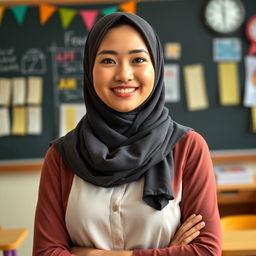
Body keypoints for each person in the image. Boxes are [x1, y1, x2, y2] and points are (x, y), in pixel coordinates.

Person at [33, 12, 222, 256]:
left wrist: (93, 254)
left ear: (156, 67)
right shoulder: (62, 156)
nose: (124, 74)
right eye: (108, 61)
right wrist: (168, 251)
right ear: (90, 69)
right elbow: (45, 252)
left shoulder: (187, 148)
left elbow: (205, 251)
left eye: (138, 60)